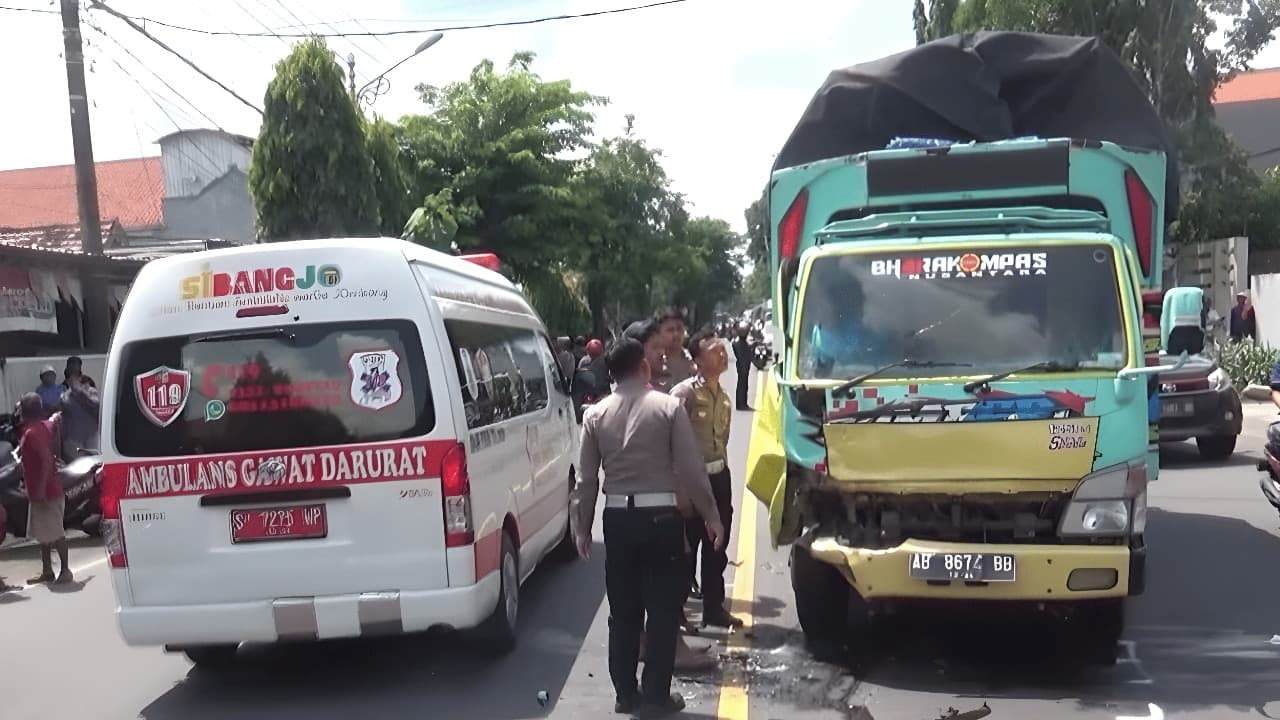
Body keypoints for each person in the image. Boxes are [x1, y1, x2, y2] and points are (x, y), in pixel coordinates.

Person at [575, 338, 725, 717]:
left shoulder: (595, 415)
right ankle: (656, 695)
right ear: (643, 367)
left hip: (618, 520)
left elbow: (586, 481)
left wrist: (581, 527)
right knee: (660, 610)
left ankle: (625, 693)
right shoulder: (668, 407)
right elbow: (690, 470)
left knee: (623, 612)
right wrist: (711, 514)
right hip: (661, 519)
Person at [671, 328, 743, 629]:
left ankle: (714, 608)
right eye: (714, 349)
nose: (722, 353)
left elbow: (722, 440)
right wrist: (680, 489)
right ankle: (675, 615)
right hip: (691, 484)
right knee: (685, 551)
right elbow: (669, 442)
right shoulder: (684, 393)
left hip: (719, 479)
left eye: (722, 348)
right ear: (697, 360)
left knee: (717, 548)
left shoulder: (724, 396)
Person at [17, 394, 72, 585]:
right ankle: (47, 571)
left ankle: (65, 570)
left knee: (55, 532)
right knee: (43, 533)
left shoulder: (33, 432)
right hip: (42, 490)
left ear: (25, 409)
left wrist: (40, 489)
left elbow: (47, 461)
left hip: (47, 492)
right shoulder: (41, 427)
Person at [60, 366, 101, 460]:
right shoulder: (64, 397)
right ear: (67, 381)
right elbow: (64, 416)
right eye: (70, 378)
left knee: (94, 463)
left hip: (91, 435)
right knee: (78, 466)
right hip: (74, 438)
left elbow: (96, 405)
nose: (73, 380)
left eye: (76, 377)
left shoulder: (91, 391)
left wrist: (80, 393)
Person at [652, 307, 694, 394]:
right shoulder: (652, 363)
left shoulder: (695, 361)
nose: (676, 334)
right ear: (659, 333)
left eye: (679, 329)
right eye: (670, 330)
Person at [732, 323, 754, 411]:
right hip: (742, 367)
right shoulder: (739, 344)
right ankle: (741, 404)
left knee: (744, 385)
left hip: (744, 367)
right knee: (742, 385)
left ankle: (743, 403)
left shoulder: (743, 344)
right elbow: (741, 357)